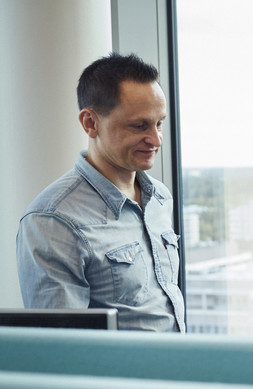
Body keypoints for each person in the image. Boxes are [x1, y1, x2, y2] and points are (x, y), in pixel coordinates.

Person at [16, 53, 185, 332]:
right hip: (120, 377)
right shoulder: (52, 221)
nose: (156, 139)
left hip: (177, 370)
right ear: (90, 123)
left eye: (159, 123)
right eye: (139, 125)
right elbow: (64, 351)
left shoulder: (160, 197)